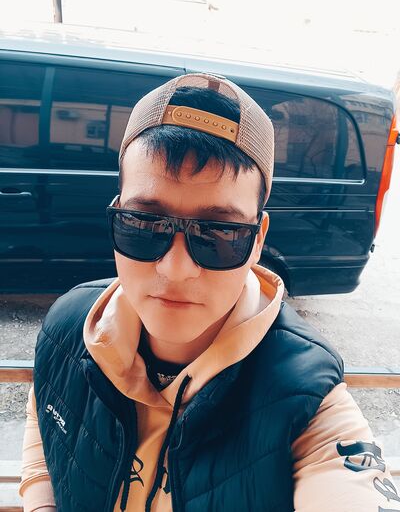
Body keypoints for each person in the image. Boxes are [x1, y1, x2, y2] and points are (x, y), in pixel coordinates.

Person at [19, 73, 400, 512]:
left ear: (257, 241)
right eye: (144, 224)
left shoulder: (305, 399)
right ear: (116, 215)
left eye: (220, 233)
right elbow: (45, 422)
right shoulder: (68, 328)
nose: (176, 269)